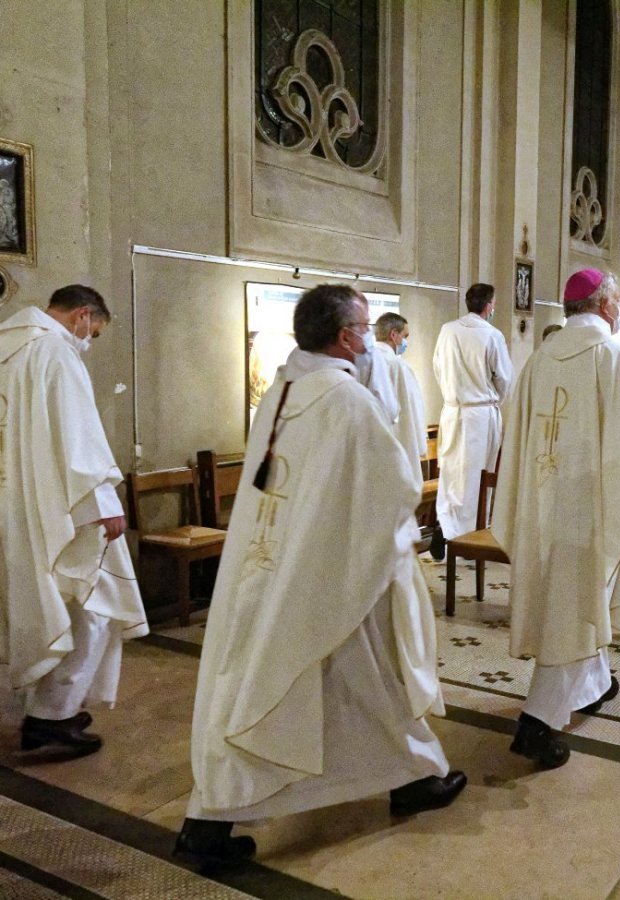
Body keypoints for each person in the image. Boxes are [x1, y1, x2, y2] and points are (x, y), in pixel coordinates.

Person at [177, 284, 464, 869]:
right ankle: (208, 825)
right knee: (290, 689)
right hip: (327, 572)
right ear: (346, 337)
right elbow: (396, 489)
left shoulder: (284, 390)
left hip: (280, 564)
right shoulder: (346, 402)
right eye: (364, 328)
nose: (371, 340)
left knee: (357, 682)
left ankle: (412, 775)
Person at [0, 285, 148, 757]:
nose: (88, 341)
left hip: (7, 504)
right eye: (92, 331)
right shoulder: (55, 352)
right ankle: (49, 719)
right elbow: (77, 436)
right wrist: (103, 504)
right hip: (57, 507)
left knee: (30, 603)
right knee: (90, 604)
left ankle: (49, 705)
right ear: (81, 315)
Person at [493, 269, 620, 767]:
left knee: (570, 600)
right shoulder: (616, 358)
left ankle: (596, 683)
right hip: (590, 512)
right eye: (618, 303)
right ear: (607, 306)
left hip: (543, 509)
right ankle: (538, 721)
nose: (619, 311)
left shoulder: (537, 359)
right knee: (575, 607)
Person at [431, 283, 512, 559]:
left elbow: (438, 368)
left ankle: (446, 526)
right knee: (477, 476)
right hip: (480, 413)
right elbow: (503, 378)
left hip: (453, 411)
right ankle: (470, 536)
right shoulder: (492, 335)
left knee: (452, 473)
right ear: (489, 306)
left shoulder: (447, 330)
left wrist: (454, 394)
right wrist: (491, 399)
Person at [374, 312, 428, 465]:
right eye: (405, 336)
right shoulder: (398, 366)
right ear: (393, 335)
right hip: (397, 444)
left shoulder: (362, 361)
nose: (406, 341)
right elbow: (411, 408)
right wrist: (420, 447)